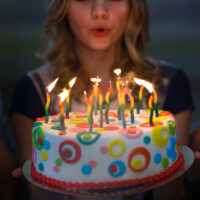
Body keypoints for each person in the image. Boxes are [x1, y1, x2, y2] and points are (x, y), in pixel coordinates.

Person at [10, 0, 194, 200]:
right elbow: (40, 193)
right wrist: (39, 184)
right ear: (63, 8)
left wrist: (177, 176)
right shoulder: (34, 91)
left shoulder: (169, 83)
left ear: (133, 7)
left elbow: (173, 192)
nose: (99, 12)